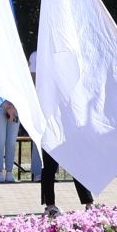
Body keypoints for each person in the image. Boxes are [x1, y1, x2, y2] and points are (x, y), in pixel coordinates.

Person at [30, 49, 93, 217]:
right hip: (49, 116)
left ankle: (89, 203)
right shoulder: (38, 55)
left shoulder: (70, 54)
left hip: (69, 115)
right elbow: (34, 83)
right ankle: (50, 205)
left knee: (77, 161)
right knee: (49, 164)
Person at [0, 99, 20, 182]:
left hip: (15, 106)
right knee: (0, 140)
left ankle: (9, 172)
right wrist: (7, 106)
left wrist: (12, 106)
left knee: (11, 142)